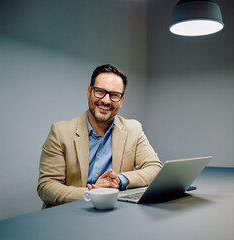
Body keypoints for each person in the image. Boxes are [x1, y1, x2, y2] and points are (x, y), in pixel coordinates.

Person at [37, 64, 163, 208]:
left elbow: (155, 168)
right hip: (72, 213)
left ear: (121, 101)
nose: (106, 100)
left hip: (115, 213)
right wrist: (93, 194)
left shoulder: (133, 129)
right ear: (89, 92)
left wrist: (119, 180)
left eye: (114, 95)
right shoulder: (60, 132)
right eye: (100, 92)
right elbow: (46, 187)